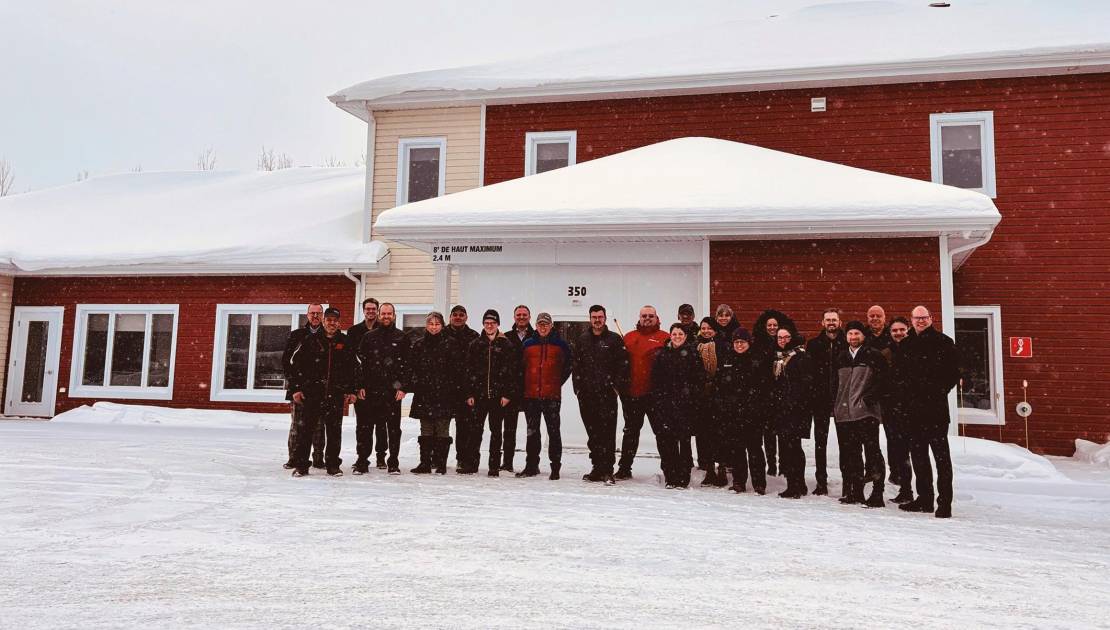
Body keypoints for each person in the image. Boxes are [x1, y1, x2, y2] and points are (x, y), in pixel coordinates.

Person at [900, 306, 960, 519]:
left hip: (935, 411)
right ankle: (924, 499)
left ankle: (944, 503)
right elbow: (901, 376)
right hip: (913, 411)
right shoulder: (906, 345)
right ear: (911, 320)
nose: (920, 321)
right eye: (917, 318)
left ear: (931, 319)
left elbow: (954, 372)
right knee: (919, 457)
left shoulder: (944, 343)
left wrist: (937, 390)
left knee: (941, 458)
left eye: (924, 318)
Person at [287, 307, 359, 477]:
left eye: (335, 320)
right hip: (312, 394)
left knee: (334, 432)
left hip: (335, 395)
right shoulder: (310, 340)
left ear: (338, 323)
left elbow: (354, 368)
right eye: (328, 320)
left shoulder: (345, 342)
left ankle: (333, 465)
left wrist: (351, 390)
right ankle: (302, 466)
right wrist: (296, 389)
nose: (331, 323)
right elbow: (294, 365)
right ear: (323, 321)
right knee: (306, 431)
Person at [572, 305, 630, 484]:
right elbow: (576, 366)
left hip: (607, 395)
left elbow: (623, 366)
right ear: (589, 319)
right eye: (594, 317)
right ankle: (596, 467)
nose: (597, 320)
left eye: (600, 317)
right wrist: (578, 389)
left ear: (605, 318)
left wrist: (615, 388)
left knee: (607, 433)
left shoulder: (614, 340)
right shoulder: (582, 339)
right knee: (593, 434)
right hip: (587, 395)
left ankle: (607, 470)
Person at [834, 320, 888, 507]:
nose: (853, 337)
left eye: (857, 333)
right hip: (844, 414)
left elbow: (883, 381)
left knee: (872, 453)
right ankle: (856, 492)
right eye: (850, 334)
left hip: (866, 413)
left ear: (863, 336)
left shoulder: (873, 355)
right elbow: (834, 384)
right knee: (852, 454)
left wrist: (869, 399)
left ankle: (877, 493)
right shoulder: (841, 357)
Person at [615, 306, 670, 479]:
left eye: (651, 316)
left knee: (662, 433)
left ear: (657, 317)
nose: (647, 318)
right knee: (630, 433)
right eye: (644, 316)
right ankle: (624, 468)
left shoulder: (665, 337)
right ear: (639, 317)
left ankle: (668, 469)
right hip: (632, 395)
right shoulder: (629, 337)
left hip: (656, 397)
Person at [406, 312, 463, 475]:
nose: (434, 326)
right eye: (431, 324)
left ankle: (441, 463)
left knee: (442, 430)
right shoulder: (419, 345)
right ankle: (425, 463)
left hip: (445, 395)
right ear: (426, 326)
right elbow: (412, 369)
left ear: (442, 326)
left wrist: (453, 389)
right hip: (424, 394)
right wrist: (415, 384)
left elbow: (457, 371)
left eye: (437, 324)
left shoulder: (451, 344)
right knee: (426, 430)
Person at [517, 312, 572, 480]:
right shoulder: (528, 344)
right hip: (531, 396)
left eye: (546, 324)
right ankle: (531, 465)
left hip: (552, 396)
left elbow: (568, 367)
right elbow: (521, 368)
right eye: (540, 324)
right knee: (532, 432)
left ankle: (555, 467)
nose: (543, 327)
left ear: (551, 325)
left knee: (554, 432)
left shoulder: (561, 345)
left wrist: (555, 382)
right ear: (536, 325)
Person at [714, 327, 768, 494]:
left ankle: (759, 483)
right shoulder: (727, 360)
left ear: (748, 343)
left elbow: (764, 387)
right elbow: (720, 385)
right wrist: (723, 405)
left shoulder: (757, 360)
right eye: (736, 342)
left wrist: (757, 407)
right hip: (732, 414)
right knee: (737, 450)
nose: (739, 345)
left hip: (753, 413)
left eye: (742, 342)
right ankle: (739, 482)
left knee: (755, 449)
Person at [356, 303, 408, 475]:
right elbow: (360, 364)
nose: (386, 316)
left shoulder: (402, 337)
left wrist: (403, 387)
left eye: (389, 313)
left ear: (394, 315)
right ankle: (363, 461)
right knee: (366, 427)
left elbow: (408, 365)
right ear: (378, 315)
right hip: (371, 390)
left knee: (393, 429)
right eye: (383, 313)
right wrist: (361, 385)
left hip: (393, 392)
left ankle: (393, 462)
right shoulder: (369, 337)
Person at [465, 309, 517, 477]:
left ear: (498, 325)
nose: (489, 326)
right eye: (487, 323)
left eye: (492, 323)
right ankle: (472, 464)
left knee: (496, 432)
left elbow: (511, 372)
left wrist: (507, 394)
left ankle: (494, 466)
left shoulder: (506, 345)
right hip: (478, 397)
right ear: (483, 324)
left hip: (497, 397)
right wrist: (469, 393)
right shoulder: (475, 344)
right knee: (475, 431)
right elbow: (468, 371)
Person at [650, 323, 703, 489]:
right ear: (670, 336)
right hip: (666, 406)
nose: (677, 336)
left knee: (684, 443)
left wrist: (690, 395)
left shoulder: (693, 354)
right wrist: (659, 401)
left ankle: (683, 476)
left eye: (680, 334)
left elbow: (699, 379)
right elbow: (655, 381)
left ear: (685, 336)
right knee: (668, 443)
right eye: (674, 334)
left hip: (685, 407)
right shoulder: (662, 354)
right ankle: (670, 476)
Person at [804, 308, 847, 496]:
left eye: (834, 320)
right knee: (820, 443)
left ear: (840, 322)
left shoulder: (847, 342)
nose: (831, 323)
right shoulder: (814, 344)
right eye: (828, 319)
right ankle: (821, 481)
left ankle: (849, 482)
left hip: (842, 399)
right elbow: (809, 372)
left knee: (846, 442)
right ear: (822, 323)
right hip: (820, 400)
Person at [752, 309, 800, 476]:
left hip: (785, 398)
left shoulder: (792, 350)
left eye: (775, 325)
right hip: (767, 396)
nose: (772, 328)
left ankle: (784, 465)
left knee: (784, 434)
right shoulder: (760, 345)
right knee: (769, 433)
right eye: (769, 325)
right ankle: (771, 465)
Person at [769, 326, 814, 498]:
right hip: (782, 410)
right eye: (779, 337)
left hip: (796, 410)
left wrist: (792, 402)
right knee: (788, 447)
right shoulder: (778, 357)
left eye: (786, 337)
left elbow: (804, 384)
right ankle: (797, 484)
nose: (782, 340)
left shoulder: (800, 356)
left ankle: (795, 485)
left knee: (793, 448)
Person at [347, 298, 388, 472]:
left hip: (382, 385)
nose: (371, 312)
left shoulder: (384, 330)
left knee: (381, 424)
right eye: (368, 309)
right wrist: (356, 386)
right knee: (363, 425)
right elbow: (351, 361)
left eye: (374, 309)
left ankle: (381, 457)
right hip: (362, 385)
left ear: (377, 311)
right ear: (363, 310)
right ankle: (362, 456)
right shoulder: (354, 331)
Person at [282, 303, 324, 470]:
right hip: (299, 388)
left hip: (320, 390)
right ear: (307, 315)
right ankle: (294, 458)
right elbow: (287, 362)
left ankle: (318, 459)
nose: (315, 316)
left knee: (319, 426)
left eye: (318, 313)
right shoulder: (297, 335)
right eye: (312, 313)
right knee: (297, 426)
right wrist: (294, 387)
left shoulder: (327, 336)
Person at [446, 305, 481, 474]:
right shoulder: (442, 334)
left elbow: (478, 364)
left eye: (461, 315)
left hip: (465, 388)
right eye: (455, 315)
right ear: (450, 317)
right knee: (439, 424)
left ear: (466, 317)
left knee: (464, 427)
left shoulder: (473, 336)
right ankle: (436, 457)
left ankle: (462, 458)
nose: (458, 317)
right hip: (444, 387)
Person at [500, 305, 535, 472]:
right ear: (514, 317)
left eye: (524, 315)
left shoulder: (536, 336)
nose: (521, 317)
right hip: (511, 390)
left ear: (529, 317)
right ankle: (507, 462)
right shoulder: (506, 337)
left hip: (531, 389)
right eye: (518, 315)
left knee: (532, 429)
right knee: (509, 428)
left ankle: (532, 464)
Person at [885, 316, 915, 503]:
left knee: (912, 451)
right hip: (890, 407)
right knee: (898, 449)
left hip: (911, 407)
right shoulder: (886, 353)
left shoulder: (915, 350)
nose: (898, 333)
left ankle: (915, 490)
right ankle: (905, 489)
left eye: (901, 329)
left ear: (908, 329)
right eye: (895, 330)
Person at [695, 318, 728, 485]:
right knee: (705, 433)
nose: (706, 331)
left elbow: (726, 368)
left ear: (715, 330)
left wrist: (717, 382)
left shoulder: (723, 345)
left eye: (709, 328)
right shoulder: (695, 346)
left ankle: (721, 468)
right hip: (702, 396)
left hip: (719, 395)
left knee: (720, 433)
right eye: (703, 328)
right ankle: (709, 469)